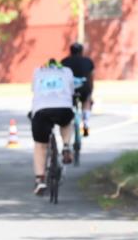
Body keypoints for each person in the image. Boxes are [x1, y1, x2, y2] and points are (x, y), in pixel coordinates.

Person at [30, 59, 75, 196]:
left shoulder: (38, 71)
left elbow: (34, 90)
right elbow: (72, 91)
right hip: (63, 108)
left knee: (40, 145)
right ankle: (66, 146)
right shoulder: (67, 71)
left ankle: (40, 180)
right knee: (66, 122)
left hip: (41, 109)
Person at [60, 42, 95, 136]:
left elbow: (61, 79)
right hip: (84, 88)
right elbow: (91, 78)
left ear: (70, 51)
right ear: (81, 51)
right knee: (86, 101)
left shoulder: (64, 62)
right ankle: (86, 123)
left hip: (69, 90)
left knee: (67, 105)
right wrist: (91, 92)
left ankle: (69, 122)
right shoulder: (88, 61)